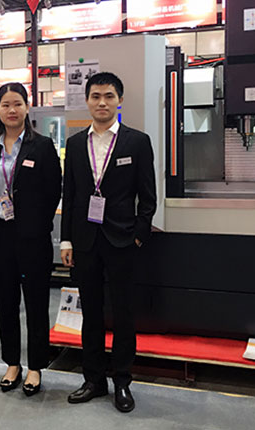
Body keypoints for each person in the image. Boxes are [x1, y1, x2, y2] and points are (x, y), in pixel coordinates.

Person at [60, 72, 156, 412]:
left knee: (124, 313)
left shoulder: (137, 142)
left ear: (120, 100)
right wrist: (66, 240)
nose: (102, 102)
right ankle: (94, 380)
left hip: (122, 240)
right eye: (96, 96)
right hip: (85, 241)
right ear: (87, 101)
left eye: (109, 96)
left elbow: (148, 196)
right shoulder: (75, 144)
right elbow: (70, 195)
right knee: (91, 313)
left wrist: (139, 235)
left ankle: (123, 382)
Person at [0, 83, 62, 396]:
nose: (11, 110)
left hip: (32, 237)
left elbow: (53, 190)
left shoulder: (41, 146)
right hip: (0, 235)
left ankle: (35, 366)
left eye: (17, 104)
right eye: (5, 105)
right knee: (5, 302)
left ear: (27, 107)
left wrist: (38, 224)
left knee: (36, 303)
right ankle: (12, 363)